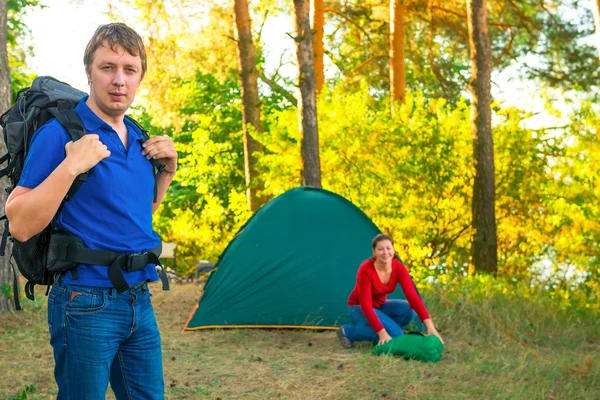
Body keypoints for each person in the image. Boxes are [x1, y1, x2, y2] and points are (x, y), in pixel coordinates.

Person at [5, 23, 177, 399]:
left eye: (129, 70)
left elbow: (133, 214)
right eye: (108, 67)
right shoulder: (61, 133)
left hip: (138, 301)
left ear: (140, 77)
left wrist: (166, 171)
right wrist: (70, 167)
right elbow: (18, 222)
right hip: (85, 302)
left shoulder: (137, 134)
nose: (119, 80)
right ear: (88, 72)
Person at [337, 234, 444, 348]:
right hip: (359, 308)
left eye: (388, 248)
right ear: (374, 252)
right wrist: (382, 332)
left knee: (409, 310)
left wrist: (430, 327)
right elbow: (366, 306)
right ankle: (347, 332)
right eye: (380, 249)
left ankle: (385, 332)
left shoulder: (399, 268)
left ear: (393, 250)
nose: (385, 252)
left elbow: (413, 297)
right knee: (396, 334)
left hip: (380, 306)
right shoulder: (365, 269)